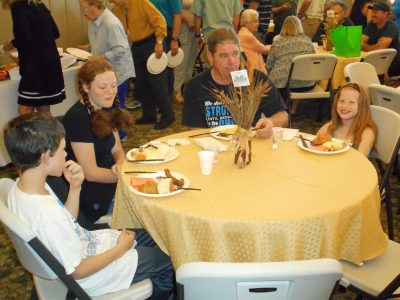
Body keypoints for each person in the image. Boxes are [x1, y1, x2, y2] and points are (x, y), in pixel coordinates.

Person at [4, 113, 174, 298]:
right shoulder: (46, 215)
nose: (66, 153)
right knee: (171, 259)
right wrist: (120, 249)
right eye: (62, 149)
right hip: (95, 275)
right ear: (46, 157)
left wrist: (75, 188)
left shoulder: (26, 186)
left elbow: (66, 221)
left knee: (157, 233)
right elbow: (78, 270)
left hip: (92, 247)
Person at [62, 57, 133, 224]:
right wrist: (125, 176)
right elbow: (90, 173)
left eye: (114, 85)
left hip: (112, 181)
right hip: (95, 196)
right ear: (86, 87)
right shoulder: (78, 118)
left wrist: (121, 165)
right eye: (102, 87)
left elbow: (117, 149)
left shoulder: (106, 107)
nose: (110, 92)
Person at [182, 28, 288, 139]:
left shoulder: (253, 79)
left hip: (249, 144)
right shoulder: (196, 86)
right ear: (210, 56)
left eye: (235, 54)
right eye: (223, 56)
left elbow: (283, 116)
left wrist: (270, 122)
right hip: (214, 147)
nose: (231, 62)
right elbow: (195, 131)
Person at [110, 0, 175, 130]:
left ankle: (168, 116)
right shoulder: (116, 10)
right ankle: (149, 115)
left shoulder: (141, 2)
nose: (111, 1)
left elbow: (160, 21)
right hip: (136, 46)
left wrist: (159, 42)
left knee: (157, 83)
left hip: (152, 43)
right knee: (142, 83)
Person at [2, 0, 65, 116]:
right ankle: (52, 134)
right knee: (44, 110)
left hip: (35, 67)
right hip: (51, 62)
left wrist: (11, 44)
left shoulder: (18, 6)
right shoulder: (39, 4)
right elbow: (55, 33)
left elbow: (24, 38)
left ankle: (29, 135)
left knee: (24, 110)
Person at [77, 0, 135, 117]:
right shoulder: (93, 21)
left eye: (84, 8)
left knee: (116, 111)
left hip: (118, 73)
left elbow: (121, 49)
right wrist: (87, 47)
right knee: (107, 111)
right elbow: (104, 41)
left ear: (94, 5)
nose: (82, 11)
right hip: (105, 71)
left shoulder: (111, 23)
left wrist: (98, 58)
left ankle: (121, 134)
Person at [266, 15, 316, 107]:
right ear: (299, 26)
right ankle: (293, 108)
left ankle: (281, 108)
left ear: (283, 27)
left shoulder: (278, 41)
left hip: (282, 85)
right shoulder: (308, 41)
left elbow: (269, 64)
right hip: (307, 83)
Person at [316, 82, 377, 157]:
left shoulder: (366, 133)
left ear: (362, 106)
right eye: (342, 101)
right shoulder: (328, 128)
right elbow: (314, 148)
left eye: (351, 102)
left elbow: (359, 160)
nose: (344, 106)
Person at [192, 0, 243, 65]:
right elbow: (236, 18)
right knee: (231, 67)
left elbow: (197, 17)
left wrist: (197, 35)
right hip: (229, 36)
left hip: (210, 36)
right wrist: (234, 34)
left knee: (213, 69)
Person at [361, 0, 400, 77]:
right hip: (374, 59)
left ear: (385, 14)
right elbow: (359, 42)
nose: (372, 14)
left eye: (376, 12)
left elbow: (380, 48)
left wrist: (365, 46)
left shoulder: (391, 27)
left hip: (390, 64)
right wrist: (373, 47)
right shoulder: (371, 24)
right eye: (372, 11)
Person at [173, 0, 198, 103]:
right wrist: (185, 18)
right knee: (182, 61)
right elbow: (174, 8)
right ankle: (177, 90)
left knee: (191, 60)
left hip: (195, 29)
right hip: (182, 28)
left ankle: (187, 88)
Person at [238, 9, 270, 73]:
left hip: (249, 70)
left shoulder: (242, 32)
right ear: (246, 22)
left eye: (258, 21)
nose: (258, 23)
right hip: (254, 73)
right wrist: (275, 45)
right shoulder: (247, 36)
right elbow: (265, 50)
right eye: (255, 21)